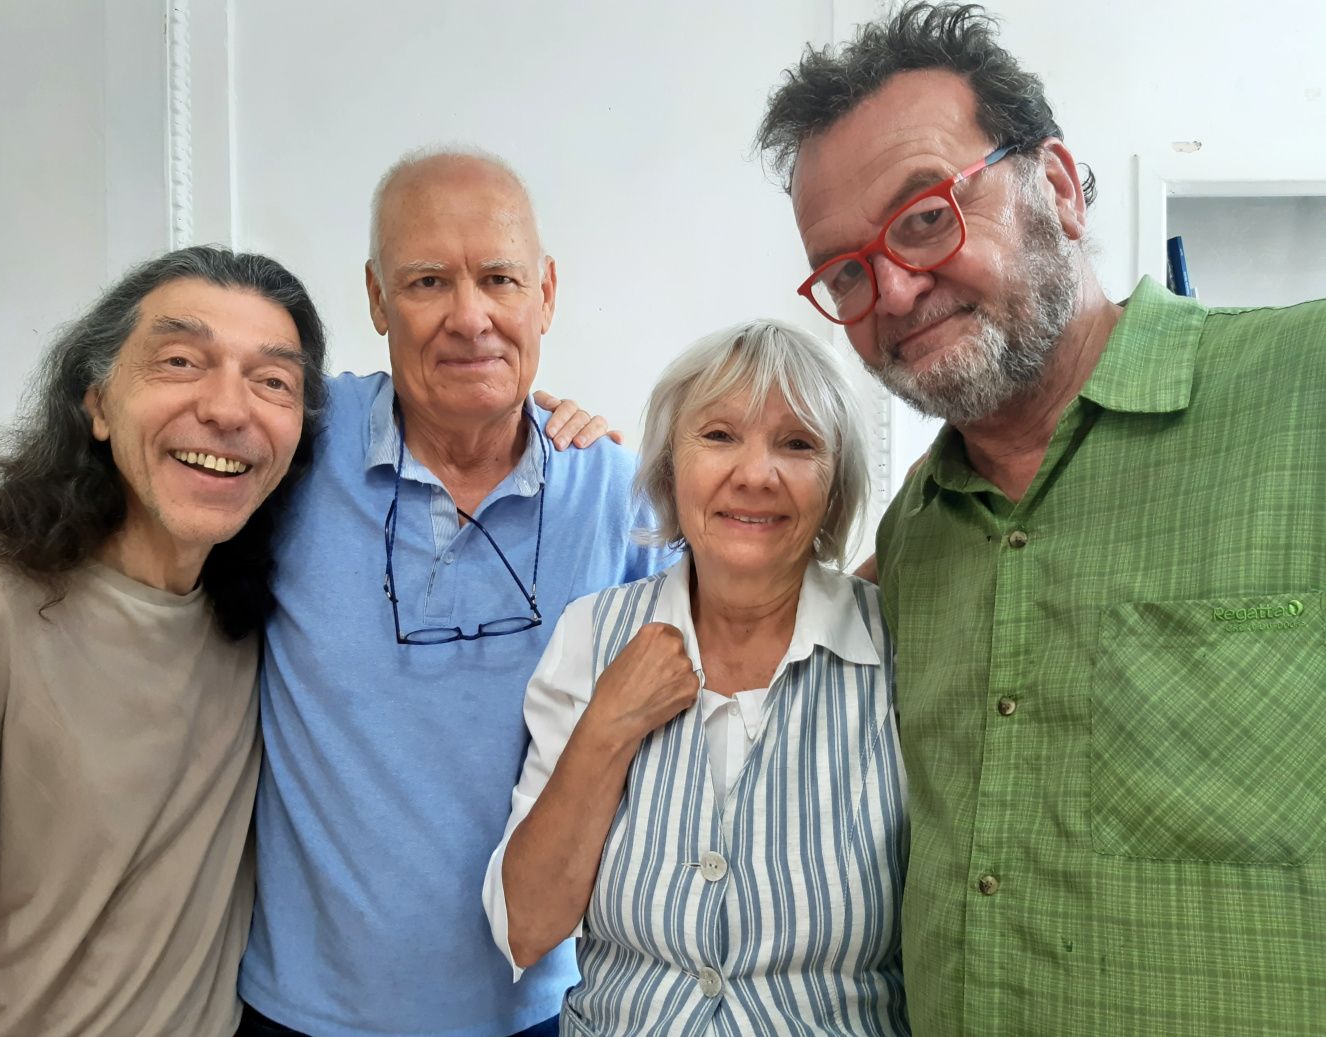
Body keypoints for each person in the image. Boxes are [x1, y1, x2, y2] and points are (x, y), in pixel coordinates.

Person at [756, 3, 1325, 1035]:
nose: (890, 286)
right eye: (844, 270)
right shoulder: (914, 538)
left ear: (1055, 187)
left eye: (924, 213)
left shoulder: (1302, 388)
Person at [233, 149, 672, 1037]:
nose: (470, 317)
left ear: (545, 293)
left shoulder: (615, 492)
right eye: (429, 281)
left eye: (500, 279)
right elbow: (122, 506)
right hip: (302, 1015)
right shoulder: (293, 448)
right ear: (376, 298)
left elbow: (735, 644)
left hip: (537, 1011)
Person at [0, 246, 329, 1037]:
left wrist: (539, 426)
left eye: (273, 381)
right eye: (182, 360)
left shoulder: (267, 621)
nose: (228, 409)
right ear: (97, 404)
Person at [484, 319, 909, 1036]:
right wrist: (608, 725)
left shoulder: (895, 646)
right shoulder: (592, 635)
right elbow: (526, 926)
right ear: (668, 471)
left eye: (797, 443)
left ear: (835, 489)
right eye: (718, 436)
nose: (755, 472)